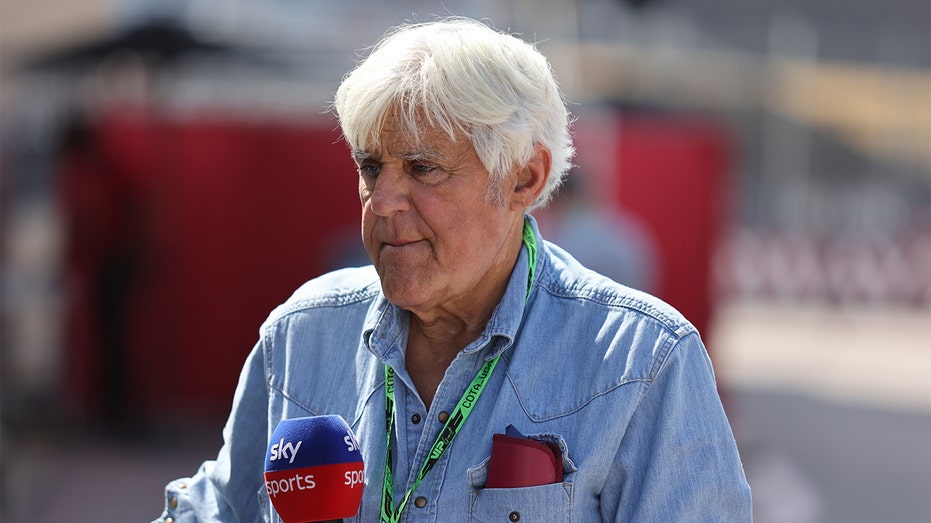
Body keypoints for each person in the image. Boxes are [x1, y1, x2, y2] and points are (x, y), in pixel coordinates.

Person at [154, 17, 751, 522]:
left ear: (524, 178)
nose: (382, 202)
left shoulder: (642, 362)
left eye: (423, 168)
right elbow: (217, 510)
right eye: (370, 167)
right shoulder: (301, 335)